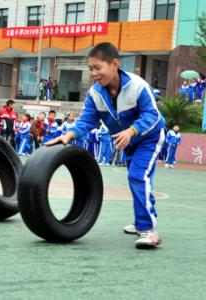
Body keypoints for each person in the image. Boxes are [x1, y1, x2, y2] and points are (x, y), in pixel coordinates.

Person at [46, 42, 165, 248]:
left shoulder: (138, 86)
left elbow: (153, 116)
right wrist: (69, 135)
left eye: (97, 68)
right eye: (90, 68)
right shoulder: (95, 94)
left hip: (149, 138)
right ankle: (140, 222)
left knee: (138, 176)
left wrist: (132, 131)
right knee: (137, 178)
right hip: (125, 142)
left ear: (114, 64)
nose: (93, 73)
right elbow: (87, 120)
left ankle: (148, 230)